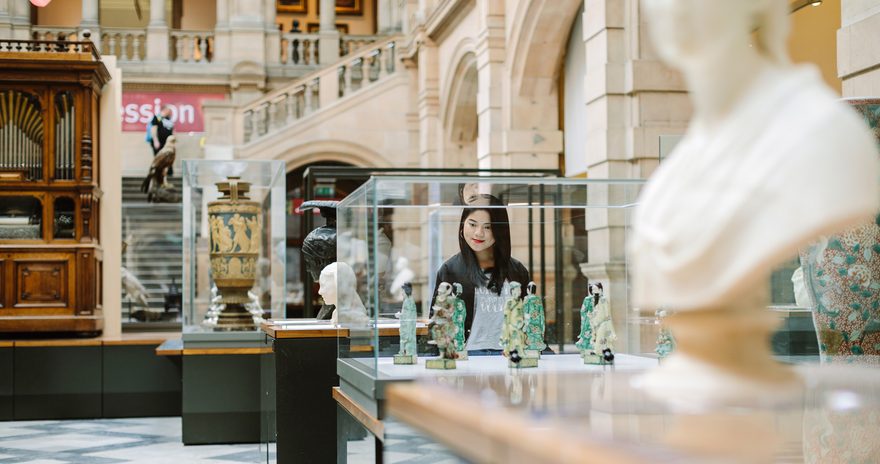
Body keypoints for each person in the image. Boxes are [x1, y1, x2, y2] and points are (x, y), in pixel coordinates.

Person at [432, 195, 529, 356]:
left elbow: (528, 317)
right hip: (467, 355)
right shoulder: (450, 270)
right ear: (463, 224)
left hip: (509, 354)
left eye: (488, 227)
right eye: (472, 224)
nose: (479, 233)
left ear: (500, 230)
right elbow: (437, 320)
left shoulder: (516, 270)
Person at [149, 104, 175, 174]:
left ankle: (169, 174)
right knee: (159, 159)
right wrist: (155, 141)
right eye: (168, 110)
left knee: (168, 159)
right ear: (164, 110)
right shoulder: (157, 118)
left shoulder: (169, 119)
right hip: (159, 142)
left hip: (168, 144)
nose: (169, 112)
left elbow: (172, 131)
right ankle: (157, 175)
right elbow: (154, 129)